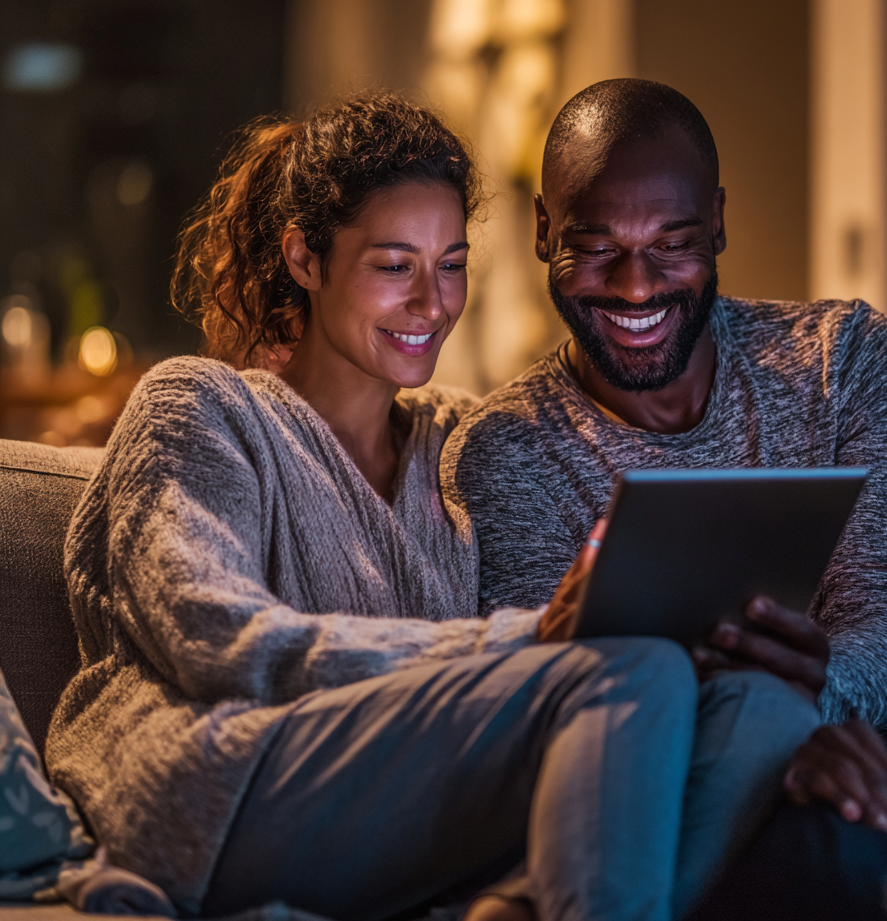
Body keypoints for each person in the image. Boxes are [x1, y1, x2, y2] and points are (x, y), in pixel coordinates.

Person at [47, 93, 824, 921]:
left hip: (402, 808)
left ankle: (517, 907)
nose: (432, 303)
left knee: (764, 706)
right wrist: (533, 636)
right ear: (306, 258)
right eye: (393, 266)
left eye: (450, 264)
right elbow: (219, 643)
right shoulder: (198, 408)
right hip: (219, 789)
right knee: (628, 673)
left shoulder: (462, 440)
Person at [441, 78, 887, 914]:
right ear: (543, 232)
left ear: (717, 221)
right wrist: (777, 742)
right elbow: (572, 708)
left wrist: (815, 711)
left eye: (672, 243)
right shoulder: (503, 454)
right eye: (596, 246)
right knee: (832, 862)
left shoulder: (852, 359)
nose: (636, 287)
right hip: (722, 777)